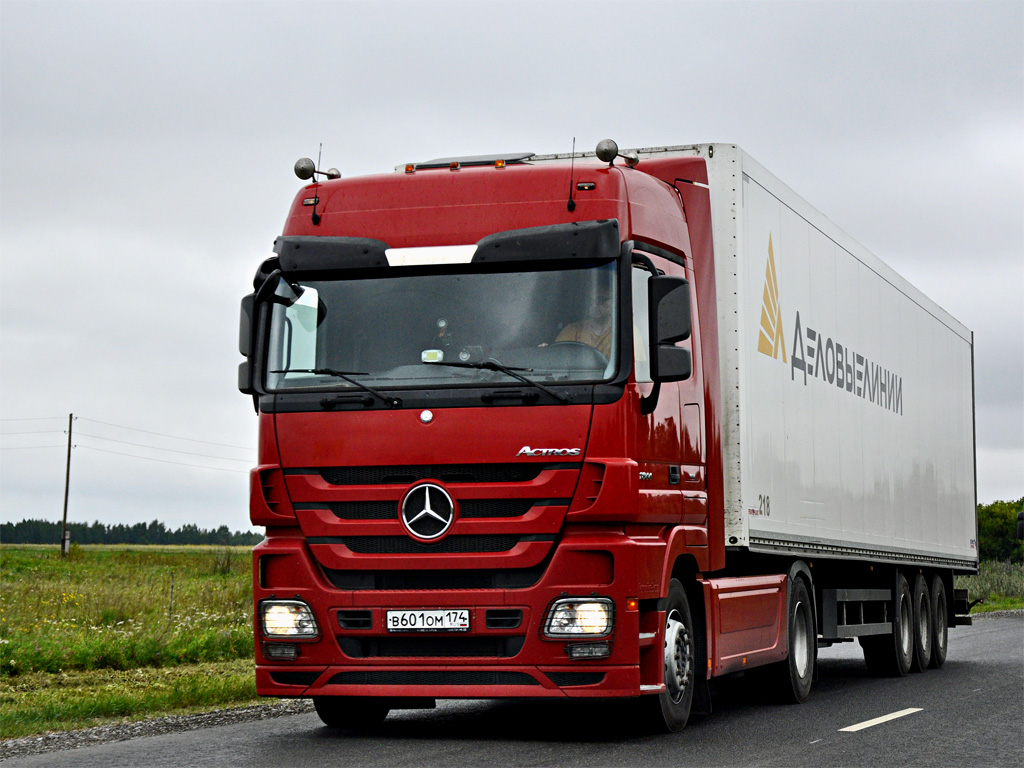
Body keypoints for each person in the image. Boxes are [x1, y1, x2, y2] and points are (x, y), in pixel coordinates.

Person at [553, 288, 613, 358]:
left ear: (614, 301)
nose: (593, 305)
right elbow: (557, 357)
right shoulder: (572, 330)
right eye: (590, 300)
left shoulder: (621, 335)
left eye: (600, 300)